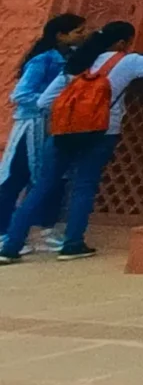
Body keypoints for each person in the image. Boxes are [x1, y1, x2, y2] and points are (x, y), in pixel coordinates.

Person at [0, 22, 143, 263]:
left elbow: (44, 102)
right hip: (101, 132)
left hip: (62, 133)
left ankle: (11, 245)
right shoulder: (127, 61)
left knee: (42, 186)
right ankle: (72, 244)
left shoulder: (75, 63)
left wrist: (73, 113)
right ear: (121, 43)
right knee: (83, 187)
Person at [0, 14, 85, 252]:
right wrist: (55, 101)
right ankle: (3, 230)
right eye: (78, 31)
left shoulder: (70, 59)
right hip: (32, 125)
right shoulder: (43, 60)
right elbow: (20, 95)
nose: (82, 35)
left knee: (53, 177)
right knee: (18, 175)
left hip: (56, 125)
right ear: (61, 35)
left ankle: (42, 228)